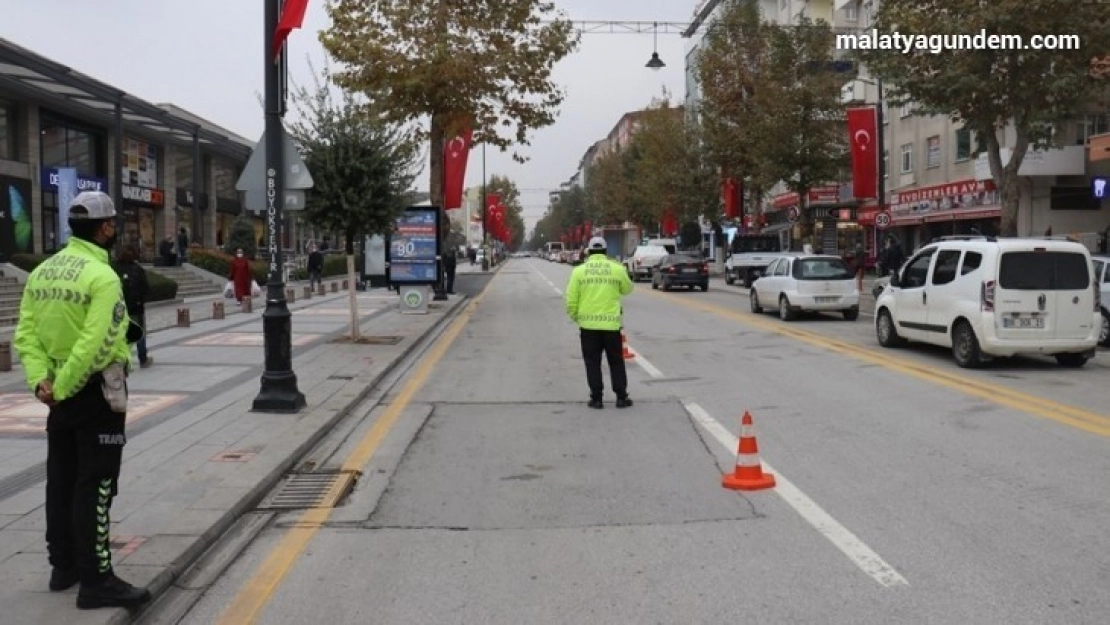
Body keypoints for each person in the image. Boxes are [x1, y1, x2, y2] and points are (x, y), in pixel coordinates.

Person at [12, 190, 152, 610]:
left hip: (57, 396)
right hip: (94, 394)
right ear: (106, 227)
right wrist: (69, 384)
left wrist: (43, 383)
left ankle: (65, 566)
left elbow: (26, 334)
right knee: (97, 482)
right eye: (114, 225)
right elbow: (97, 342)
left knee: (62, 479)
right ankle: (97, 579)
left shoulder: (43, 272)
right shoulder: (102, 276)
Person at [565, 236, 634, 409]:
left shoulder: (578, 271)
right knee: (616, 361)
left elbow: (571, 300)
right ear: (605, 251)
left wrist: (577, 318)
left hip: (588, 327)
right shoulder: (616, 269)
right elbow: (628, 289)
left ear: (589, 251)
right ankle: (621, 397)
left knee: (592, 362)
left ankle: (596, 399)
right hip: (611, 326)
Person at [113, 245, 152, 368]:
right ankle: (143, 359)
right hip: (136, 307)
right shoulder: (137, 269)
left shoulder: (113, 269)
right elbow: (146, 289)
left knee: (118, 333)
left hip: (117, 308)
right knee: (139, 333)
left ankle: (120, 360)